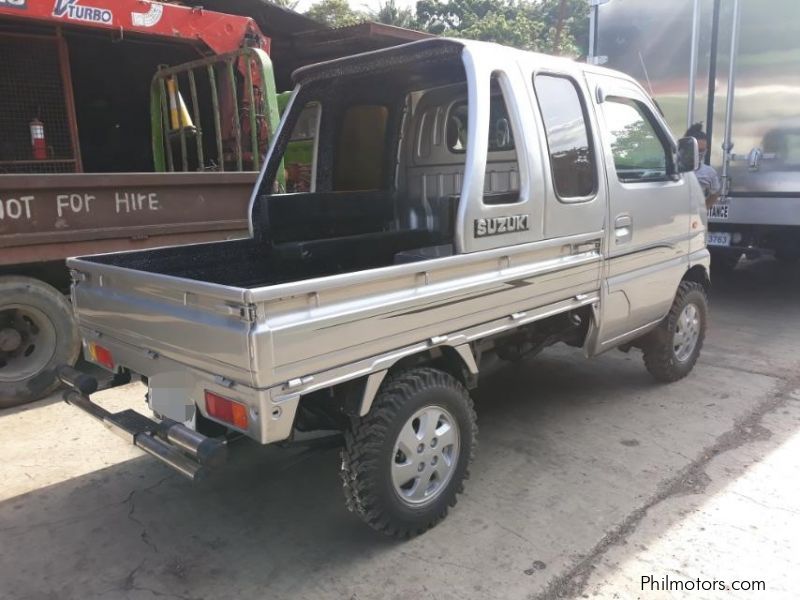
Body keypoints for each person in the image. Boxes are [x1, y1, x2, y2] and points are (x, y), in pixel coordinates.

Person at [685, 123, 721, 211]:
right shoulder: (674, 167)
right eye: (697, 150)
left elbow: (715, 193)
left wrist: (703, 209)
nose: (700, 153)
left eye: (703, 150)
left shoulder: (709, 173)